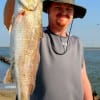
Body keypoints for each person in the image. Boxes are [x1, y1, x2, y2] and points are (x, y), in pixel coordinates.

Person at [30, 0, 93, 100]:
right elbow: (13, 21)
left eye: (68, 9)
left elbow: (84, 80)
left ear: (73, 14)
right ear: (48, 10)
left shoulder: (77, 42)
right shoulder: (35, 35)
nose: (64, 12)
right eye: (58, 7)